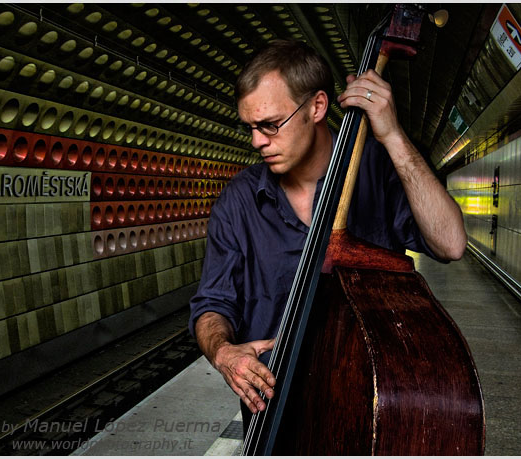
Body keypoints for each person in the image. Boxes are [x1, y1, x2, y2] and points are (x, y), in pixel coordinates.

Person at [188, 40, 467, 426]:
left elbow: (451, 243)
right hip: (275, 414)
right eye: (250, 127)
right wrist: (223, 353)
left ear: (317, 107)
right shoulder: (237, 202)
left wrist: (394, 137)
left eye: (270, 125)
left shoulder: (379, 168)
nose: (257, 141)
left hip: (374, 407)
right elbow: (212, 303)